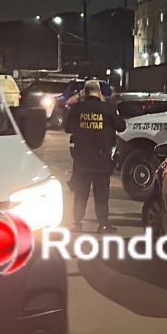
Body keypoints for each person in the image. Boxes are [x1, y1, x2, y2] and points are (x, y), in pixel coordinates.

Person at [64, 79, 126, 233]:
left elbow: (68, 128)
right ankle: (103, 224)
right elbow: (121, 126)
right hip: (101, 159)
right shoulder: (108, 109)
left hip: (81, 159)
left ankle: (77, 223)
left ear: (84, 93)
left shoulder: (77, 108)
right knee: (101, 194)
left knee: (81, 193)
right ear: (99, 92)